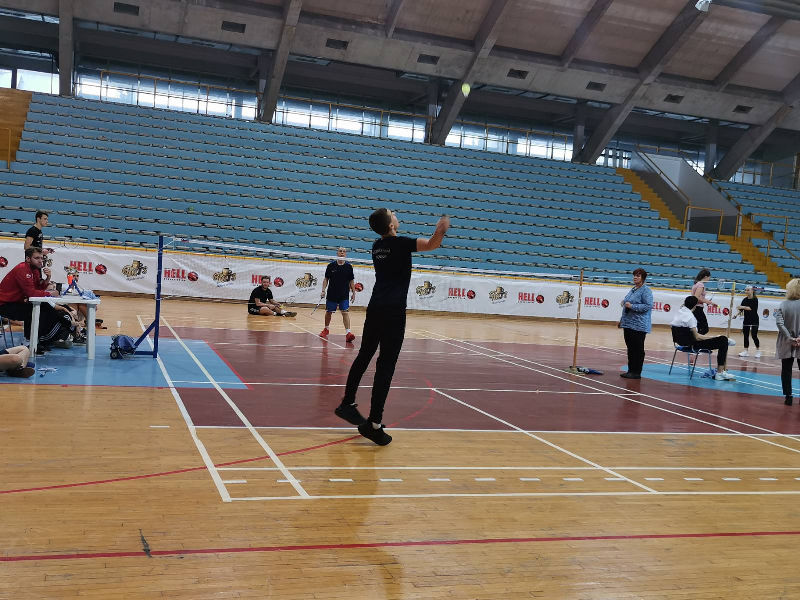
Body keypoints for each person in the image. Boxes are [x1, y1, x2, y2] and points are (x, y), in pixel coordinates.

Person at [335, 209, 449, 445]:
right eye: (392, 214)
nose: (396, 214)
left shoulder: (377, 246)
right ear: (391, 225)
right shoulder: (401, 244)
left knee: (365, 355)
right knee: (385, 366)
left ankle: (347, 403)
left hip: (376, 307)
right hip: (394, 312)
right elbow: (432, 245)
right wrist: (440, 231)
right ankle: (374, 424)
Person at [0, 247, 73, 349]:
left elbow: (38, 288)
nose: (40, 261)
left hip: (16, 302)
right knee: (38, 310)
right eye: (37, 258)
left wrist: (48, 278)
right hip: (4, 305)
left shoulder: (34, 270)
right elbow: (31, 293)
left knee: (45, 308)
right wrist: (50, 294)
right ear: (28, 259)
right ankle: (29, 341)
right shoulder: (22, 269)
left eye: (41, 258)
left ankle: (37, 340)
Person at [671, 296, 736, 380]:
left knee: (722, 340)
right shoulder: (690, 317)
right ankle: (720, 373)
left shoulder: (679, 313)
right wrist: (714, 337)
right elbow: (697, 337)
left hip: (680, 343)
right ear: (695, 306)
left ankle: (724, 341)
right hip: (693, 345)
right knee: (723, 340)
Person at [619, 267, 653, 380]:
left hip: (639, 325)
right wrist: (624, 303)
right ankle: (630, 370)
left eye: (638, 276)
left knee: (637, 349)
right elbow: (627, 302)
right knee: (630, 348)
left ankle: (636, 372)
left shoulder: (646, 290)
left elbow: (648, 306)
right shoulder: (633, 289)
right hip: (628, 323)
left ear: (643, 278)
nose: (635, 277)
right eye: (634, 275)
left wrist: (632, 306)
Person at [319, 247, 357, 342]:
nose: (342, 253)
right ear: (337, 253)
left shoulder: (349, 267)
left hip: (344, 294)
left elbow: (351, 281)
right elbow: (326, 279)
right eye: (340, 251)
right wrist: (323, 290)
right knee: (329, 312)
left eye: (344, 251)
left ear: (346, 254)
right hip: (332, 293)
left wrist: (353, 292)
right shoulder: (331, 266)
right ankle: (326, 329)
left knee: (345, 312)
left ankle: (348, 333)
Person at [775, 278, 800, 406]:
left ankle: (788, 396)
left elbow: (779, 323)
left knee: (786, 369)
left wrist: (790, 338)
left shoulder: (783, 305)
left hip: (786, 341)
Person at [737, 285, 760, 358]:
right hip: (746, 320)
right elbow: (741, 310)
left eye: (748, 290)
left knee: (754, 335)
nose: (746, 291)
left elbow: (750, 308)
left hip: (754, 320)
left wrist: (742, 307)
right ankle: (746, 351)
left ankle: (758, 351)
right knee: (745, 336)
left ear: (752, 291)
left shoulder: (755, 299)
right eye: (745, 290)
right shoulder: (744, 300)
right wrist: (736, 315)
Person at [691, 269, 714, 335]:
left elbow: (699, 297)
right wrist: (708, 302)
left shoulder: (696, 284)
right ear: (705, 277)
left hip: (695, 308)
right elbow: (696, 297)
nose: (709, 279)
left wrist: (707, 302)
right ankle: (695, 340)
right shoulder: (701, 285)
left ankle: (694, 340)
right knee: (705, 328)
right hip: (698, 308)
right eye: (709, 277)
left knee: (699, 327)